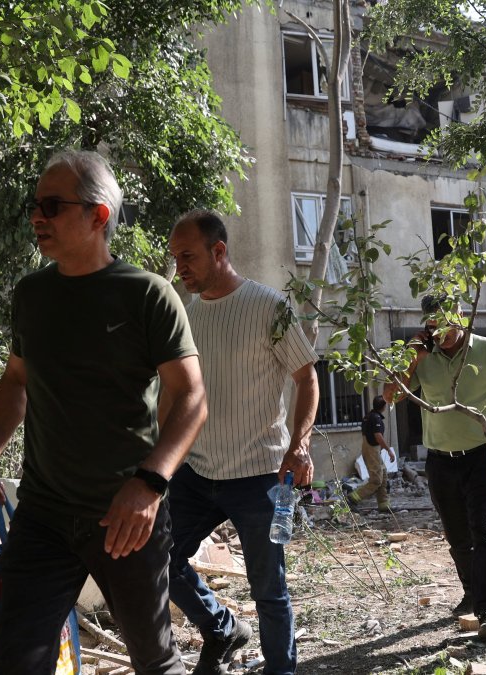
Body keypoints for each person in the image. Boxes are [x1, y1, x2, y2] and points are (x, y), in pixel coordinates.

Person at [0, 150, 207, 675]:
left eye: (52, 206)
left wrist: (150, 484)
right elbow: (16, 379)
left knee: (153, 659)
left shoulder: (148, 295)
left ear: (98, 216)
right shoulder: (32, 295)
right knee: (16, 662)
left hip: (126, 518)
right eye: (35, 205)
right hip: (44, 515)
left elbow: (192, 397)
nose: (37, 217)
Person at [165, 210, 319, 675]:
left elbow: (307, 378)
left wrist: (300, 445)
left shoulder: (269, 307)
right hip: (197, 472)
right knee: (158, 560)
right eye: (176, 258)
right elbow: (174, 395)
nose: (180, 268)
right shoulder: (186, 316)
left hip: (260, 475)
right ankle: (221, 628)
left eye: (188, 256)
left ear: (219, 251)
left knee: (269, 590)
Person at [383, 295, 486, 641]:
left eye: (446, 321)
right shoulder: (421, 356)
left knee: (483, 529)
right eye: (433, 325)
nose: (442, 331)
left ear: (460, 315)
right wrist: (412, 359)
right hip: (440, 459)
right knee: (457, 535)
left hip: (484, 453)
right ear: (426, 324)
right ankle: (472, 590)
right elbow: (390, 396)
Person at [349, 395, 395, 511]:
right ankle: (354, 497)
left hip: (369, 448)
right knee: (376, 480)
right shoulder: (376, 418)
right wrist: (388, 450)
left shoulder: (368, 416)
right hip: (372, 449)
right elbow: (378, 436)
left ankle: (384, 505)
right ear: (384, 406)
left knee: (383, 475)